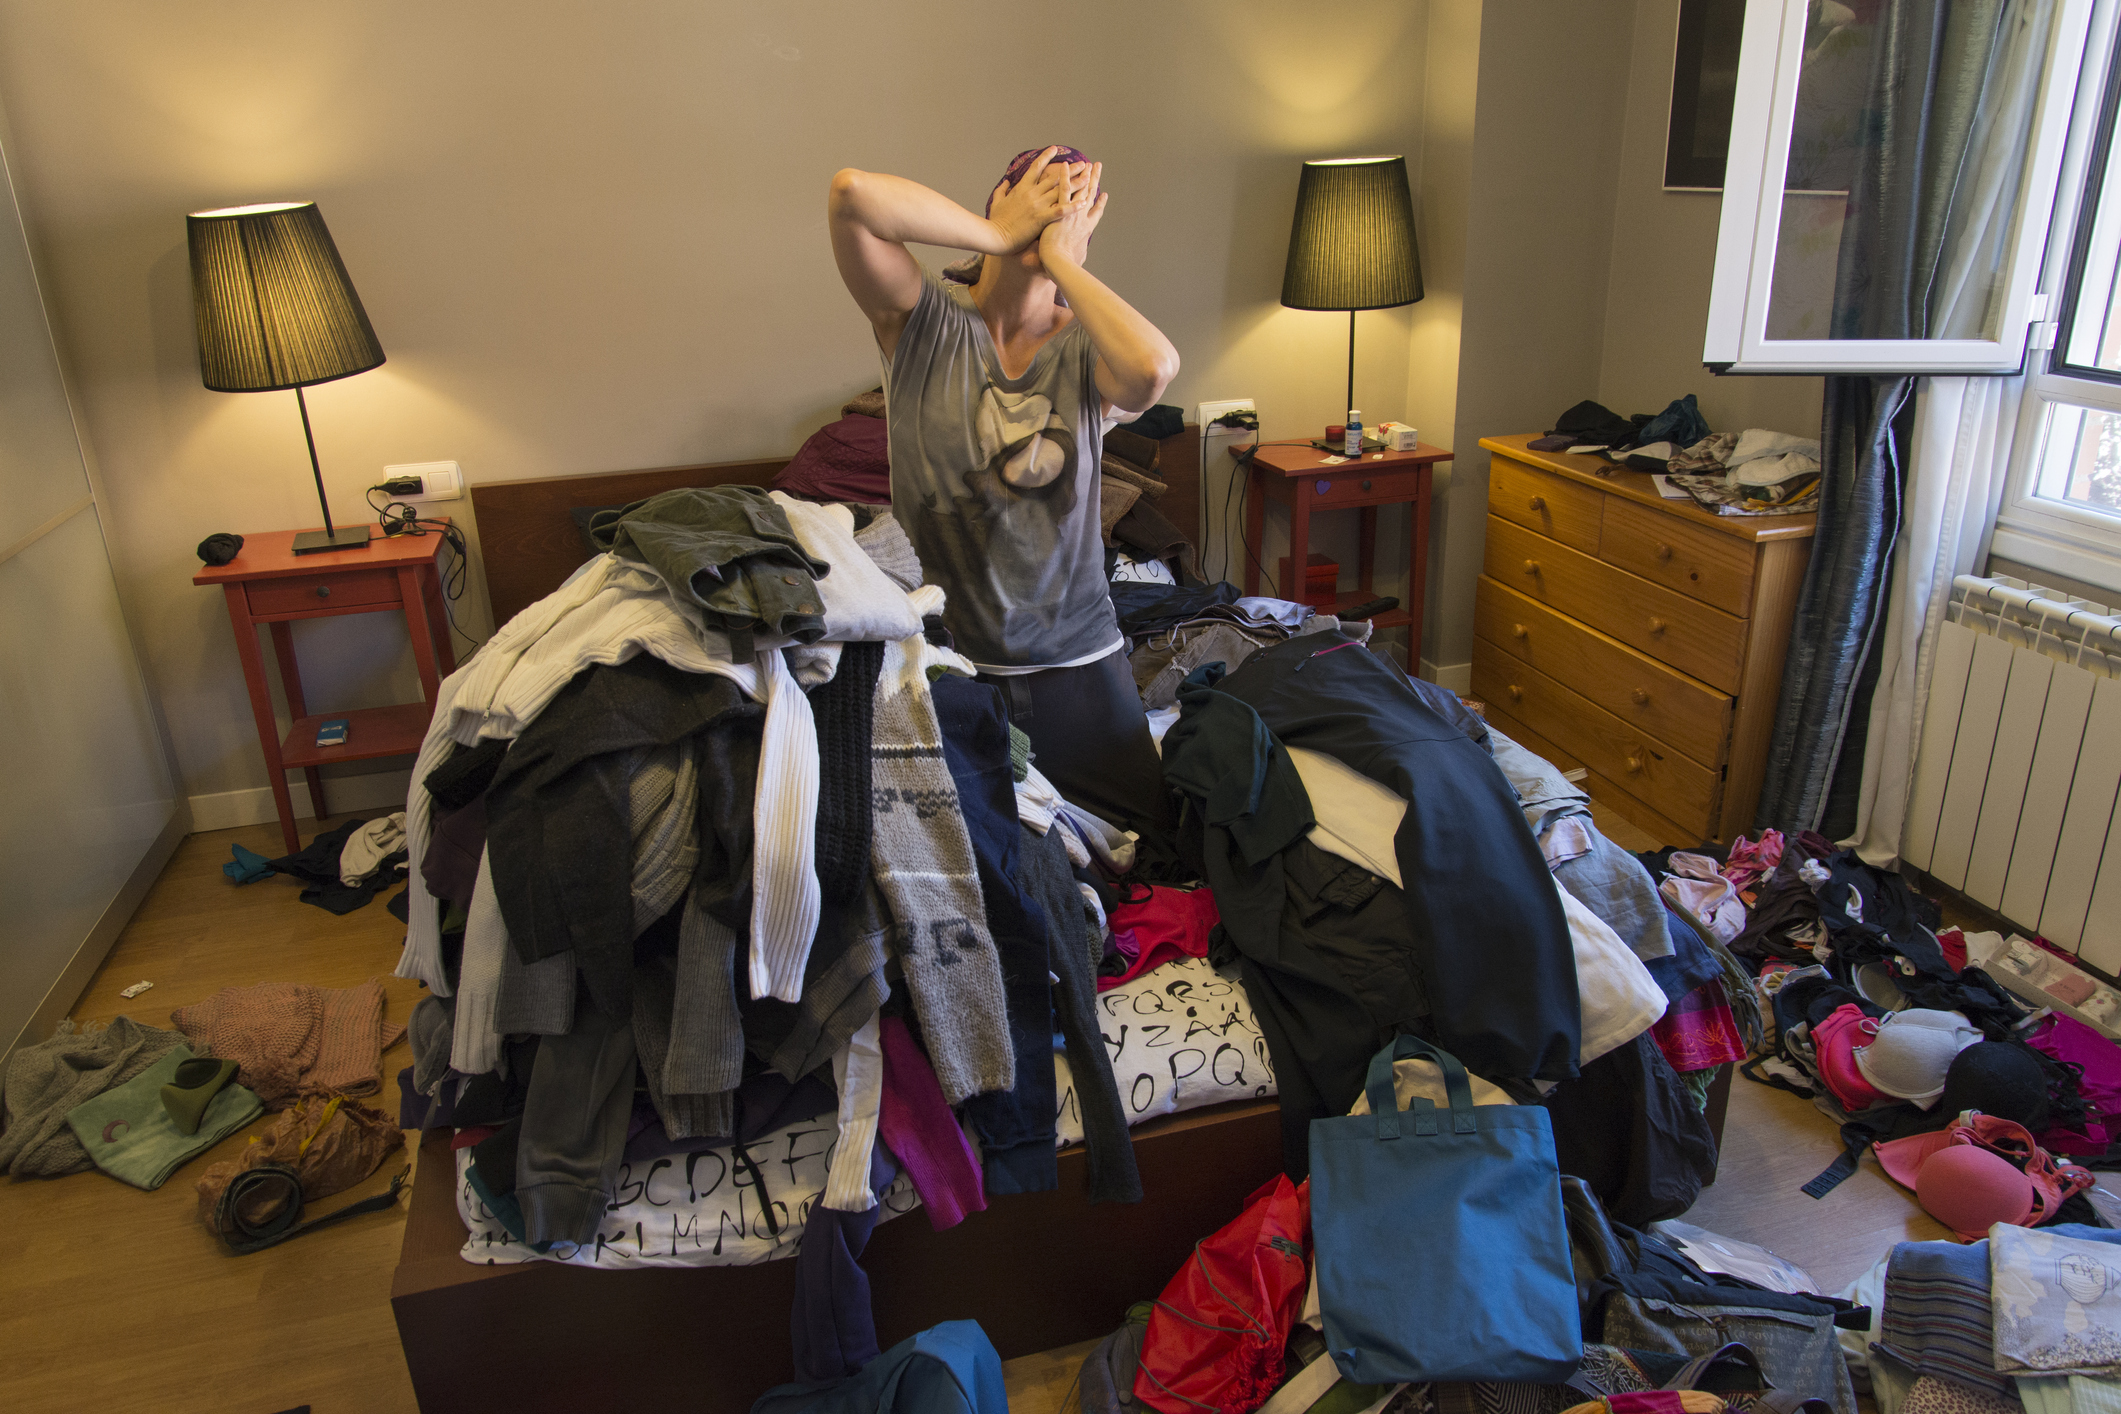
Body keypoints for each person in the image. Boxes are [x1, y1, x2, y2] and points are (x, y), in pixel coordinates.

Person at [827, 146, 1180, 854]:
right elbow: (853, 195)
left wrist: (1065, 264)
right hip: (951, 666)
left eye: (1073, 205)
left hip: (1078, 663)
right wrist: (997, 234)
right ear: (999, 199)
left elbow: (1152, 369)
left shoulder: (1086, 349)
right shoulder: (922, 322)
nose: (1056, 211)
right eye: (1042, 193)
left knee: (1157, 854)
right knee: (982, 867)